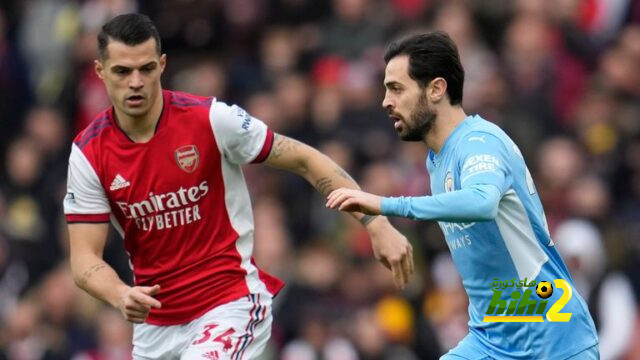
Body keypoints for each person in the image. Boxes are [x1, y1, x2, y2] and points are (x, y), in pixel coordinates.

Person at [64, 13, 413, 360]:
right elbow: (84, 260)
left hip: (229, 304)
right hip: (155, 327)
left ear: (163, 65)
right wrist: (119, 294)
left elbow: (306, 159)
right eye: (122, 71)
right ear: (100, 71)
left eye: (147, 69)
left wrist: (376, 223)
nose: (136, 82)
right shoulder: (88, 153)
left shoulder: (211, 120)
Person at [327, 32, 599, 359]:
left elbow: (482, 201)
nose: (386, 101)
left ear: (437, 89)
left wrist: (387, 205)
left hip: (553, 338)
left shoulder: (478, 142)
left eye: (396, 89)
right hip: (493, 338)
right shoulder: (437, 162)